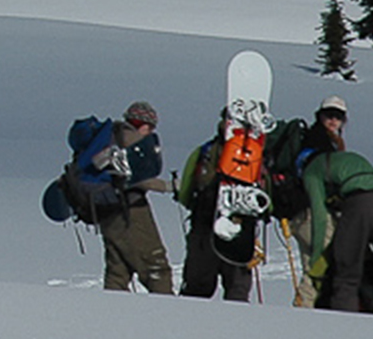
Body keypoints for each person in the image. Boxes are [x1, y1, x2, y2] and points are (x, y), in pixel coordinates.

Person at [302, 136, 373, 316]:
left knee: (347, 273)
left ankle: (346, 325)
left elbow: (319, 216)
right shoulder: (351, 158)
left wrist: (316, 260)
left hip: (359, 202)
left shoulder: (311, 170)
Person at [79, 100, 175, 294]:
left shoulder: (112, 136)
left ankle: (114, 315)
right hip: (131, 212)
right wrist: (168, 187)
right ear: (143, 124)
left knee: (117, 270)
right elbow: (137, 178)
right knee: (156, 266)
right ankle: (167, 315)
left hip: (107, 213)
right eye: (150, 127)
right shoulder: (131, 140)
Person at [177, 114, 253, 301]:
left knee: (197, 289)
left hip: (204, 225)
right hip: (240, 229)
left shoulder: (204, 152)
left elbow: (186, 192)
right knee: (237, 290)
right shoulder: (254, 154)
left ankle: (189, 328)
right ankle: (236, 328)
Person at [288, 97, 348, 308]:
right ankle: (303, 307)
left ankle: (307, 309)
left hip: (299, 213)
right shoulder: (319, 142)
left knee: (311, 264)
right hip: (313, 211)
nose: (333, 120)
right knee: (321, 263)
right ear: (319, 116)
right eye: (329, 115)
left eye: (338, 116)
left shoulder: (324, 140)